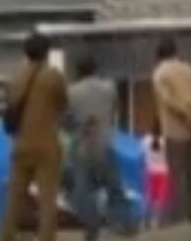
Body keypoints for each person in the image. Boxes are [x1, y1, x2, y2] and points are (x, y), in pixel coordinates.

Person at [0, 32, 68, 241]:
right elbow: (63, 104)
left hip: (20, 144)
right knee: (47, 199)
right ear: (47, 52)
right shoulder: (53, 76)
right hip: (46, 144)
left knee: (14, 198)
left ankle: (6, 236)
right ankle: (46, 237)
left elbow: (10, 106)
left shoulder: (15, 78)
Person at [66, 52, 134, 241]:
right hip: (106, 142)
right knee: (115, 187)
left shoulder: (71, 91)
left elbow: (66, 120)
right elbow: (115, 111)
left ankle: (92, 227)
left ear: (78, 71)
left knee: (82, 190)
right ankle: (126, 224)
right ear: (95, 69)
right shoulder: (109, 87)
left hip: (83, 145)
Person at [151, 37, 191, 224]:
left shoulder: (159, 74)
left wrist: (183, 113)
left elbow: (167, 100)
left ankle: (179, 215)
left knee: (177, 174)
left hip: (174, 131)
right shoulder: (190, 69)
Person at [142, 128, 169, 229]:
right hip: (162, 172)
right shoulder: (164, 141)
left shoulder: (145, 140)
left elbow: (142, 154)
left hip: (149, 171)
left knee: (148, 196)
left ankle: (145, 220)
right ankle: (156, 221)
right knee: (160, 198)